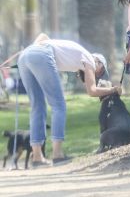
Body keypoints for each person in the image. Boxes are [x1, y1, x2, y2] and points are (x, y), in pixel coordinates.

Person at [18, 33, 121, 167]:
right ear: (99, 63)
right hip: (40, 54)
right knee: (58, 105)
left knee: (37, 107)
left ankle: (37, 157)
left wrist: (32, 51)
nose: (97, 75)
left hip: (25, 55)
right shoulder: (90, 59)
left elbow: (43, 36)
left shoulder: (78, 55)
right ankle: (57, 155)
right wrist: (113, 89)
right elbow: (92, 91)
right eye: (100, 72)